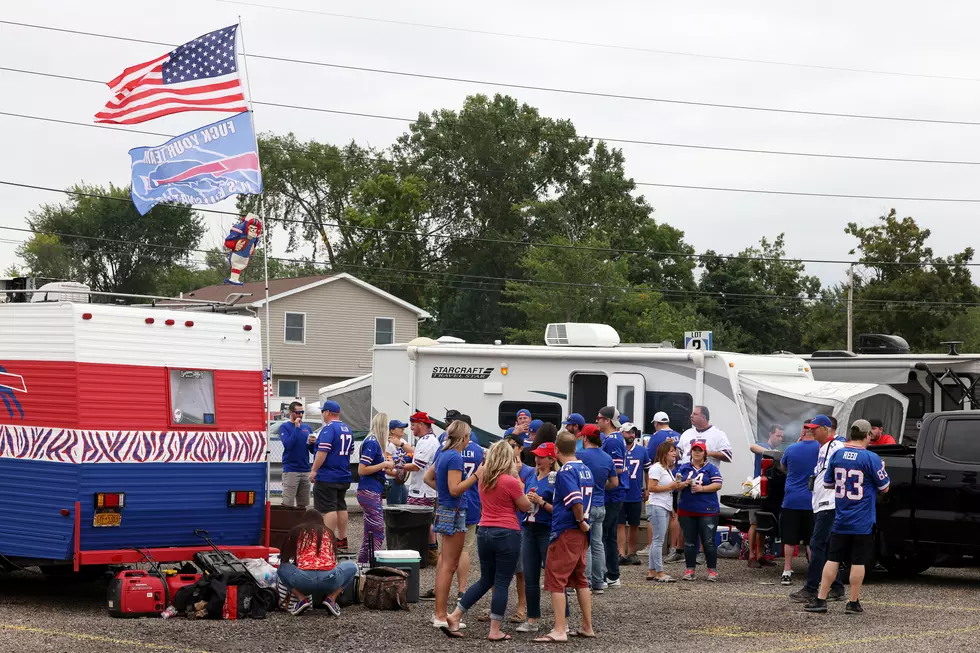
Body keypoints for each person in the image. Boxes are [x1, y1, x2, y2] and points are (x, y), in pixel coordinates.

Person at [442, 440, 531, 641]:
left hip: (485, 531)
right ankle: (495, 629)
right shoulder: (510, 481)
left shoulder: (484, 479)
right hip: (507, 532)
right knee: (501, 581)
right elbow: (525, 506)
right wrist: (518, 479)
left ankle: (456, 615)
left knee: (485, 579)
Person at [805, 419, 890, 615]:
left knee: (832, 559)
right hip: (862, 520)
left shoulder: (837, 454)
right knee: (858, 561)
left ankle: (820, 599)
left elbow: (828, 483)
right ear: (868, 435)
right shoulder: (871, 458)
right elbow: (884, 487)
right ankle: (853, 601)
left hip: (841, 516)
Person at [534, 431, 595, 643]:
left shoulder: (566, 471)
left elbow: (575, 500)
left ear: (556, 450)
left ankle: (560, 629)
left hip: (568, 529)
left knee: (555, 579)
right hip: (580, 533)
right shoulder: (585, 469)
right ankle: (587, 626)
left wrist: (580, 521)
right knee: (580, 579)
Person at [429, 420, 482, 628]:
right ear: (464, 438)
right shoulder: (454, 457)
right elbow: (455, 489)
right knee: (449, 565)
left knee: (445, 563)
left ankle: (439, 613)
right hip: (454, 510)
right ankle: (441, 615)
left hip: (446, 508)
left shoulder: (443, 454)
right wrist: (477, 475)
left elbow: (430, 478)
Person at [791, 415, 846, 603]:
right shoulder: (823, 447)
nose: (811, 431)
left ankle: (811, 588)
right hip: (820, 503)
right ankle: (837, 587)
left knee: (817, 545)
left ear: (826, 428)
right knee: (826, 547)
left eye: (815, 428)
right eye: (809, 428)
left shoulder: (837, 446)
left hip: (829, 504)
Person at [277, 509, 358, 616]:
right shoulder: (329, 533)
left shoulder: (296, 531)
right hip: (330, 579)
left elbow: (284, 558)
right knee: (352, 566)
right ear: (321, 520)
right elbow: (333, 559)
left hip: (303, 580)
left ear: (303, 520)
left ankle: (301, 599)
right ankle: (331, 599)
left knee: (282, 568)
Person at [517, 441, 560, 633]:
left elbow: (560, 510)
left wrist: (541, 502)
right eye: (536, 456)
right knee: (531, 576)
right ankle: (532, 619)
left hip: (546, 530)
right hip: (529, 529)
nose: (537, 459)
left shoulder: (556, 479)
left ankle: (562, 621)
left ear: (551, 459)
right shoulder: (531, 477)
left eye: (541, 456)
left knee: (554, 577)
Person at [778, 420, 820, 586]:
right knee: (811, 539)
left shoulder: (791, 448)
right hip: (813, 501)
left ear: (803, 431)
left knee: (789, 539)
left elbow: (782, 466)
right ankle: (814, 573)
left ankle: (787, 571)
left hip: (792, 499)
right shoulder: (821, 449)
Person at [576, 424, 616, 593]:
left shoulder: (580, 456)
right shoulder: (607, 458)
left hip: (586, 506)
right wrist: (599, 487)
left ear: (584, 438)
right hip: (600, 504)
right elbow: (614, 483)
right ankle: (599, 582)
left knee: (586, 545)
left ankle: (587, 581)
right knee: (598, 544)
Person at [676, 440, 724, 581]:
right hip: (687, 509)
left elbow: (718, 484)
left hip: (707, 509)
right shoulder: (684, 468)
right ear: (690, 452)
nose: (697, 452)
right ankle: (690, 569)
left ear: (704, 453)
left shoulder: (711, 468)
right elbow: (677, 485)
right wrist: (685, 483)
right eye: (694, 450)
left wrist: (702, 488)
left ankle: (712, 570)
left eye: (700, 450)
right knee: (689, 542)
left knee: (708, 541)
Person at [309, 400, 354, 550]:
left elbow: (323, 452)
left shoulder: (328, 429)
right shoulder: (347, 428)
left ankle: (327, 541)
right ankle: (342, 539)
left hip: (328, 474)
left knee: (328, 509)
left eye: (323, 412)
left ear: (327, 412)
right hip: (343, 473)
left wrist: (314, 470)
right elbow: (350, 451)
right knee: (341, 506)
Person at [645, 412, 684, 564]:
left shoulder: (655, 437)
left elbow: (648, 458)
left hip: (663, 479)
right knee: (675, 515)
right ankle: (673, 548)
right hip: (673, 475)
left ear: (656, 423)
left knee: (657, 536)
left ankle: (651, 549)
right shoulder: (678, 435)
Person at [403, 411, 441, 566]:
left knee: (420, 522)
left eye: (413, 425)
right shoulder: (432, 440)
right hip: (428, 489)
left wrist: (398, 466)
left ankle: (428, 553)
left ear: (421, 424)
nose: (412, 429)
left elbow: (416, 465)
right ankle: (431, 551)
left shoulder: (426, 442)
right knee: (427, 521)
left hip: (422, 489)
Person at [357, 413, 396, 564]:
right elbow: (362, 469)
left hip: (372, 490)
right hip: (369, 490)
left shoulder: (373, 442)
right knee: (378, 530)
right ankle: (371, 561)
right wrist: (384, 464)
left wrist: (388, 467)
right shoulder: (373, 442)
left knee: (370, 531)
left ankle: (364, 562)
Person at [597, 406, 628, 588]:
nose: (597, 421)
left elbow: (616, 469)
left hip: (613, 493)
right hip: (615, 492)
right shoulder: (613, 438)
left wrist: (601, 483)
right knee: (609, 535)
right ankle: (612, 574)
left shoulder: (613, 440)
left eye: (599, 418)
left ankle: (608, 574)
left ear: (607, 420)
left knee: (604, 535)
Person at [746, 424, 784, 568]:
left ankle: (760, 555)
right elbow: (752, 447)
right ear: (770, 434)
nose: (780, 438)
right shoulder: (762, 446)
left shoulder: (780, 452)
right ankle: (751, 556)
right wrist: (771, 452)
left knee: (763, 522)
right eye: (777, 436)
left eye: (781, 436)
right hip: (757, 488)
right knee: (754, 522)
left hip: (771, 490)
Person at [646, 440, 681, 582]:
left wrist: (671, 508)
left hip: (663, 505)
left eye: (675, 451)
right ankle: (660, 572)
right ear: (664, 453)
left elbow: (667, 490)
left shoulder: (666, 469)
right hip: (657, 506)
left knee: (657, 540)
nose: (675, 454)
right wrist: (671, 487)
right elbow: (651, 488)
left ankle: (652, 570)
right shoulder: (657, 468)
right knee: (658, 540)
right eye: (672, 451)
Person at [619, 423, 650, 565]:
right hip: (619, 492)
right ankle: (621, 553)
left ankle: (632, 552)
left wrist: (647, 488)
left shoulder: (642, 451)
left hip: (635, 492)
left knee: (634, 524)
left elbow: (647, 470)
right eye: (628, 432)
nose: (631, 435)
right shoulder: (617, 449)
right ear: (621, 433)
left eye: (633, 433)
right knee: (619, 524)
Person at [280, 401, 315, 508]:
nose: (300, 415)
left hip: (305, 469)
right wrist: (296, 428)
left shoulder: (307, 428)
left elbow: (312, 450)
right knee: (288, 503)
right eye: (297, 412)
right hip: (291, 469)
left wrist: (313, 443)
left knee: (303, 504)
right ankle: (287, 524)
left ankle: (301, 524)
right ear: (291, 412)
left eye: (302, 412)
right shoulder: (285, 427)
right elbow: (288, 445)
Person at [385, 419, 413, 506]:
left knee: (403, 503)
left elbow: (413, 453)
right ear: (392, 430)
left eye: (403, 427)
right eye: (400, 427)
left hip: (401, 479)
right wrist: (397, 473)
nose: (402, 429)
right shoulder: (388, 444)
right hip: (392, 479)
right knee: (394, 506)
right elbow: (385, 466)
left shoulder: (403, 442)